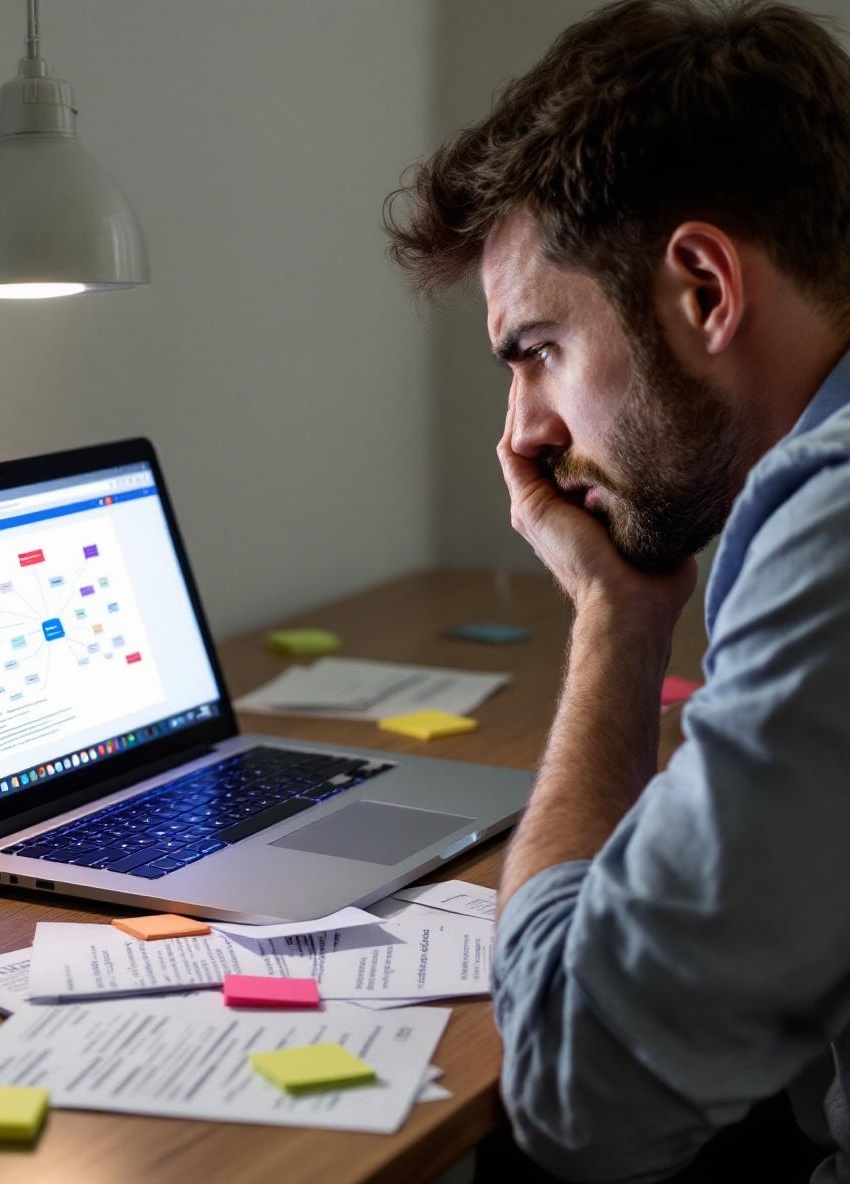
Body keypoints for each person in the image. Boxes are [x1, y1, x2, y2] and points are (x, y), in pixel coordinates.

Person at [384, 1, 850, 1180]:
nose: (522, 434)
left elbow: (576, 1091)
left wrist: (615, 614)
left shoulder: (834, 531)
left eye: (536, 349)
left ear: (701, 287)